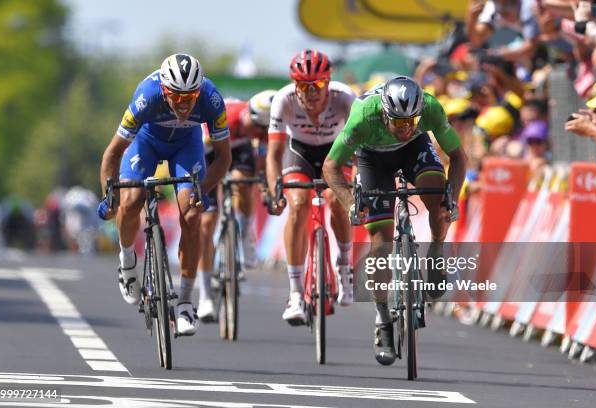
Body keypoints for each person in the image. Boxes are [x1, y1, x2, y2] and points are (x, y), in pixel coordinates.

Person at [322, 76, 467, 366]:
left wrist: (451, 198)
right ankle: (383, 320)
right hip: (372, 159)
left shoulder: (430, 109)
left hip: (415, 150)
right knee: (381, 243)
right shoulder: (363, 116)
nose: (405, 128)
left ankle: (436, 254)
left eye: (411, 122)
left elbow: (459, 157)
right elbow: (331, 166)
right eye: (399, 123)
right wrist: (350, 202)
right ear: (386, 113)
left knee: (438, 199)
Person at [97, 53, 231, 336]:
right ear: (164, 90)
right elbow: (113, 151)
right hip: (146, 143)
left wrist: (201, 191)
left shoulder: (211, 99)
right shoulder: (147, 95)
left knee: (193, 215)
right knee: (131, 200)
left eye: (190, 97)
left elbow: (224, 158)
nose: (184, 104)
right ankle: (127, 262)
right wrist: (109, 196)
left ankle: (184, 303)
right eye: (176, 97)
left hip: (187, 146)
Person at [266, 49, 357, 325]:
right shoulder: (284, 100)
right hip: (299, 153)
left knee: (336, 201)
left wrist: (359, 183)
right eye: (303, 86)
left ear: (328, 82)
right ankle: (295, 293)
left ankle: (344, 267)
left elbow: (360, 147)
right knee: (298, 204)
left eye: (317, 85)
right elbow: (273, 154)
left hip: (335, 152)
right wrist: (274, 190)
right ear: (295, 86)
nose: (311, 92)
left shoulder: (345, 98)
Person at [197, 90, 276, 321]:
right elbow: (200, 161)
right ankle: (205, 296)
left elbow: (261, 165)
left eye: (263, 132)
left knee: (243, 182)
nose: (257, 134)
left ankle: (245, 236)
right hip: (209, 151)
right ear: (248, 115)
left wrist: (263, 186)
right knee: (207, 222)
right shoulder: (226, 119)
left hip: (237, 149)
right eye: (257, 128)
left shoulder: (260, 127)